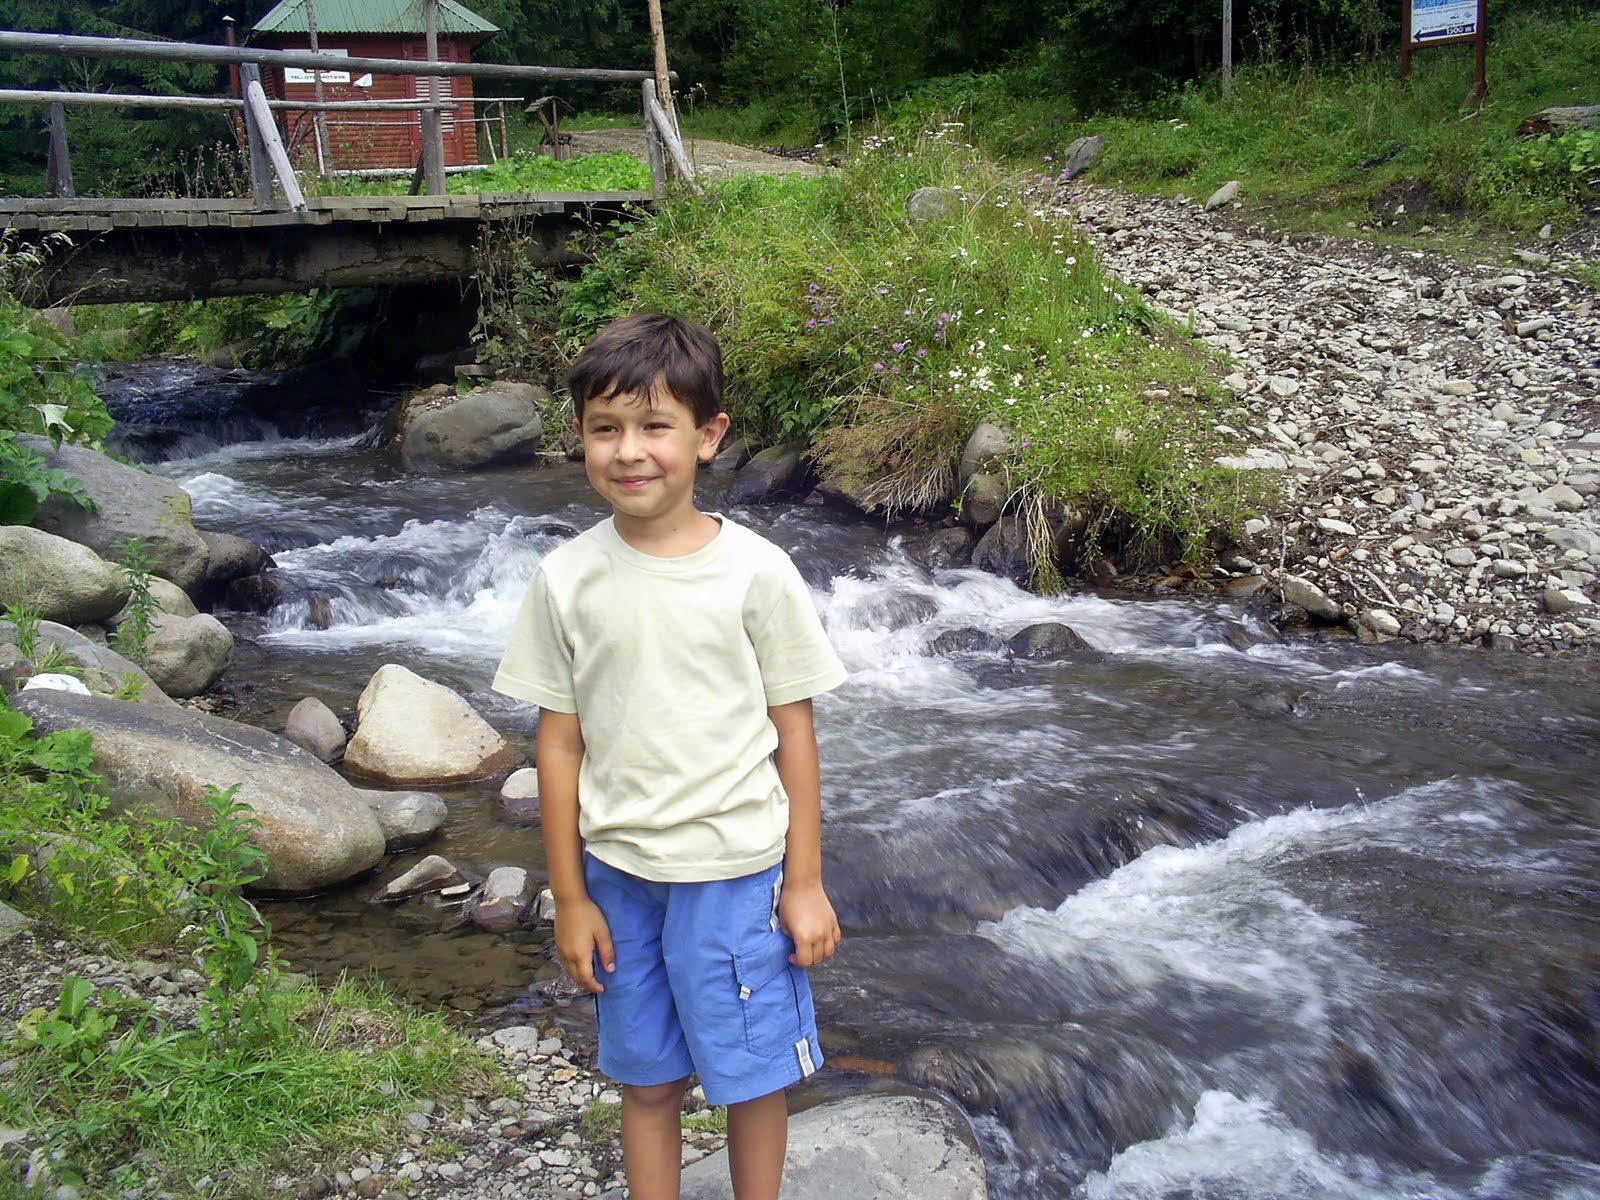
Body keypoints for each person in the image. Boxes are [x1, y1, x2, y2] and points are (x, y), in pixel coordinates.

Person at [492, 312, 847, 1200]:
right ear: (579, 437)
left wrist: (804, 883)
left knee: (752, 1077)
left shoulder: (757, 572)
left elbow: (795, 733)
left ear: (708, 435)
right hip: (619, 876)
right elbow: (559, 743)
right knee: (646, 1080)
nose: (630, 452)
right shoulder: (565, 579)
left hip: (735, 874)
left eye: (655, 426)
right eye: (604, 428)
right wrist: (571, 897)